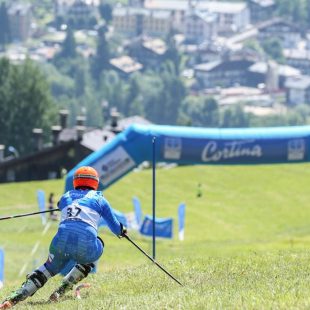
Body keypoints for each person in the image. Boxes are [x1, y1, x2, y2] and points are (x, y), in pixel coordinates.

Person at [0, 166, 127, 309]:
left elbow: (60, 205)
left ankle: (14, 298)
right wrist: (122, 231)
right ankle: (61, 291)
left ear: (75, 182)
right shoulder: (99, 199)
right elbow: (116, 228)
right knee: (95, 249)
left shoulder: (66, 196)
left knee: (47, 269)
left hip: (59, 242)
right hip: (85, 245)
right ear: (95, 182)